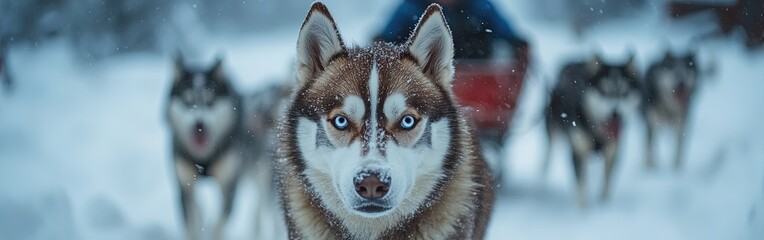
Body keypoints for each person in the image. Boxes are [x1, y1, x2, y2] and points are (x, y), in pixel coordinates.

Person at [374, 0, 529, 60]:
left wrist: (518, 44)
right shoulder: (410, 8)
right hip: (424, 68)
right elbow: (387, 36)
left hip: (475, 65)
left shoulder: (479, 6)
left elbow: (506, 32)